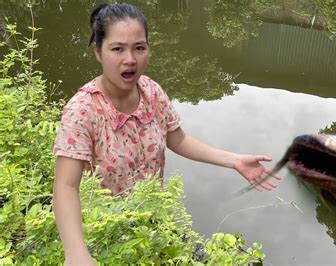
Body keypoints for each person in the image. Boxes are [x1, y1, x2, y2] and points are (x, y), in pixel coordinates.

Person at [52, 3, 281, 265]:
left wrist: (233, 160)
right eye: (118, 49)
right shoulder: (82, 110)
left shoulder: (151, 91)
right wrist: (76, 252)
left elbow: (177, 138)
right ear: (98, 52)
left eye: (139, 47)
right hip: (105, 230)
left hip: (152, 219)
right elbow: (65, 185)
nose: (130, 59)